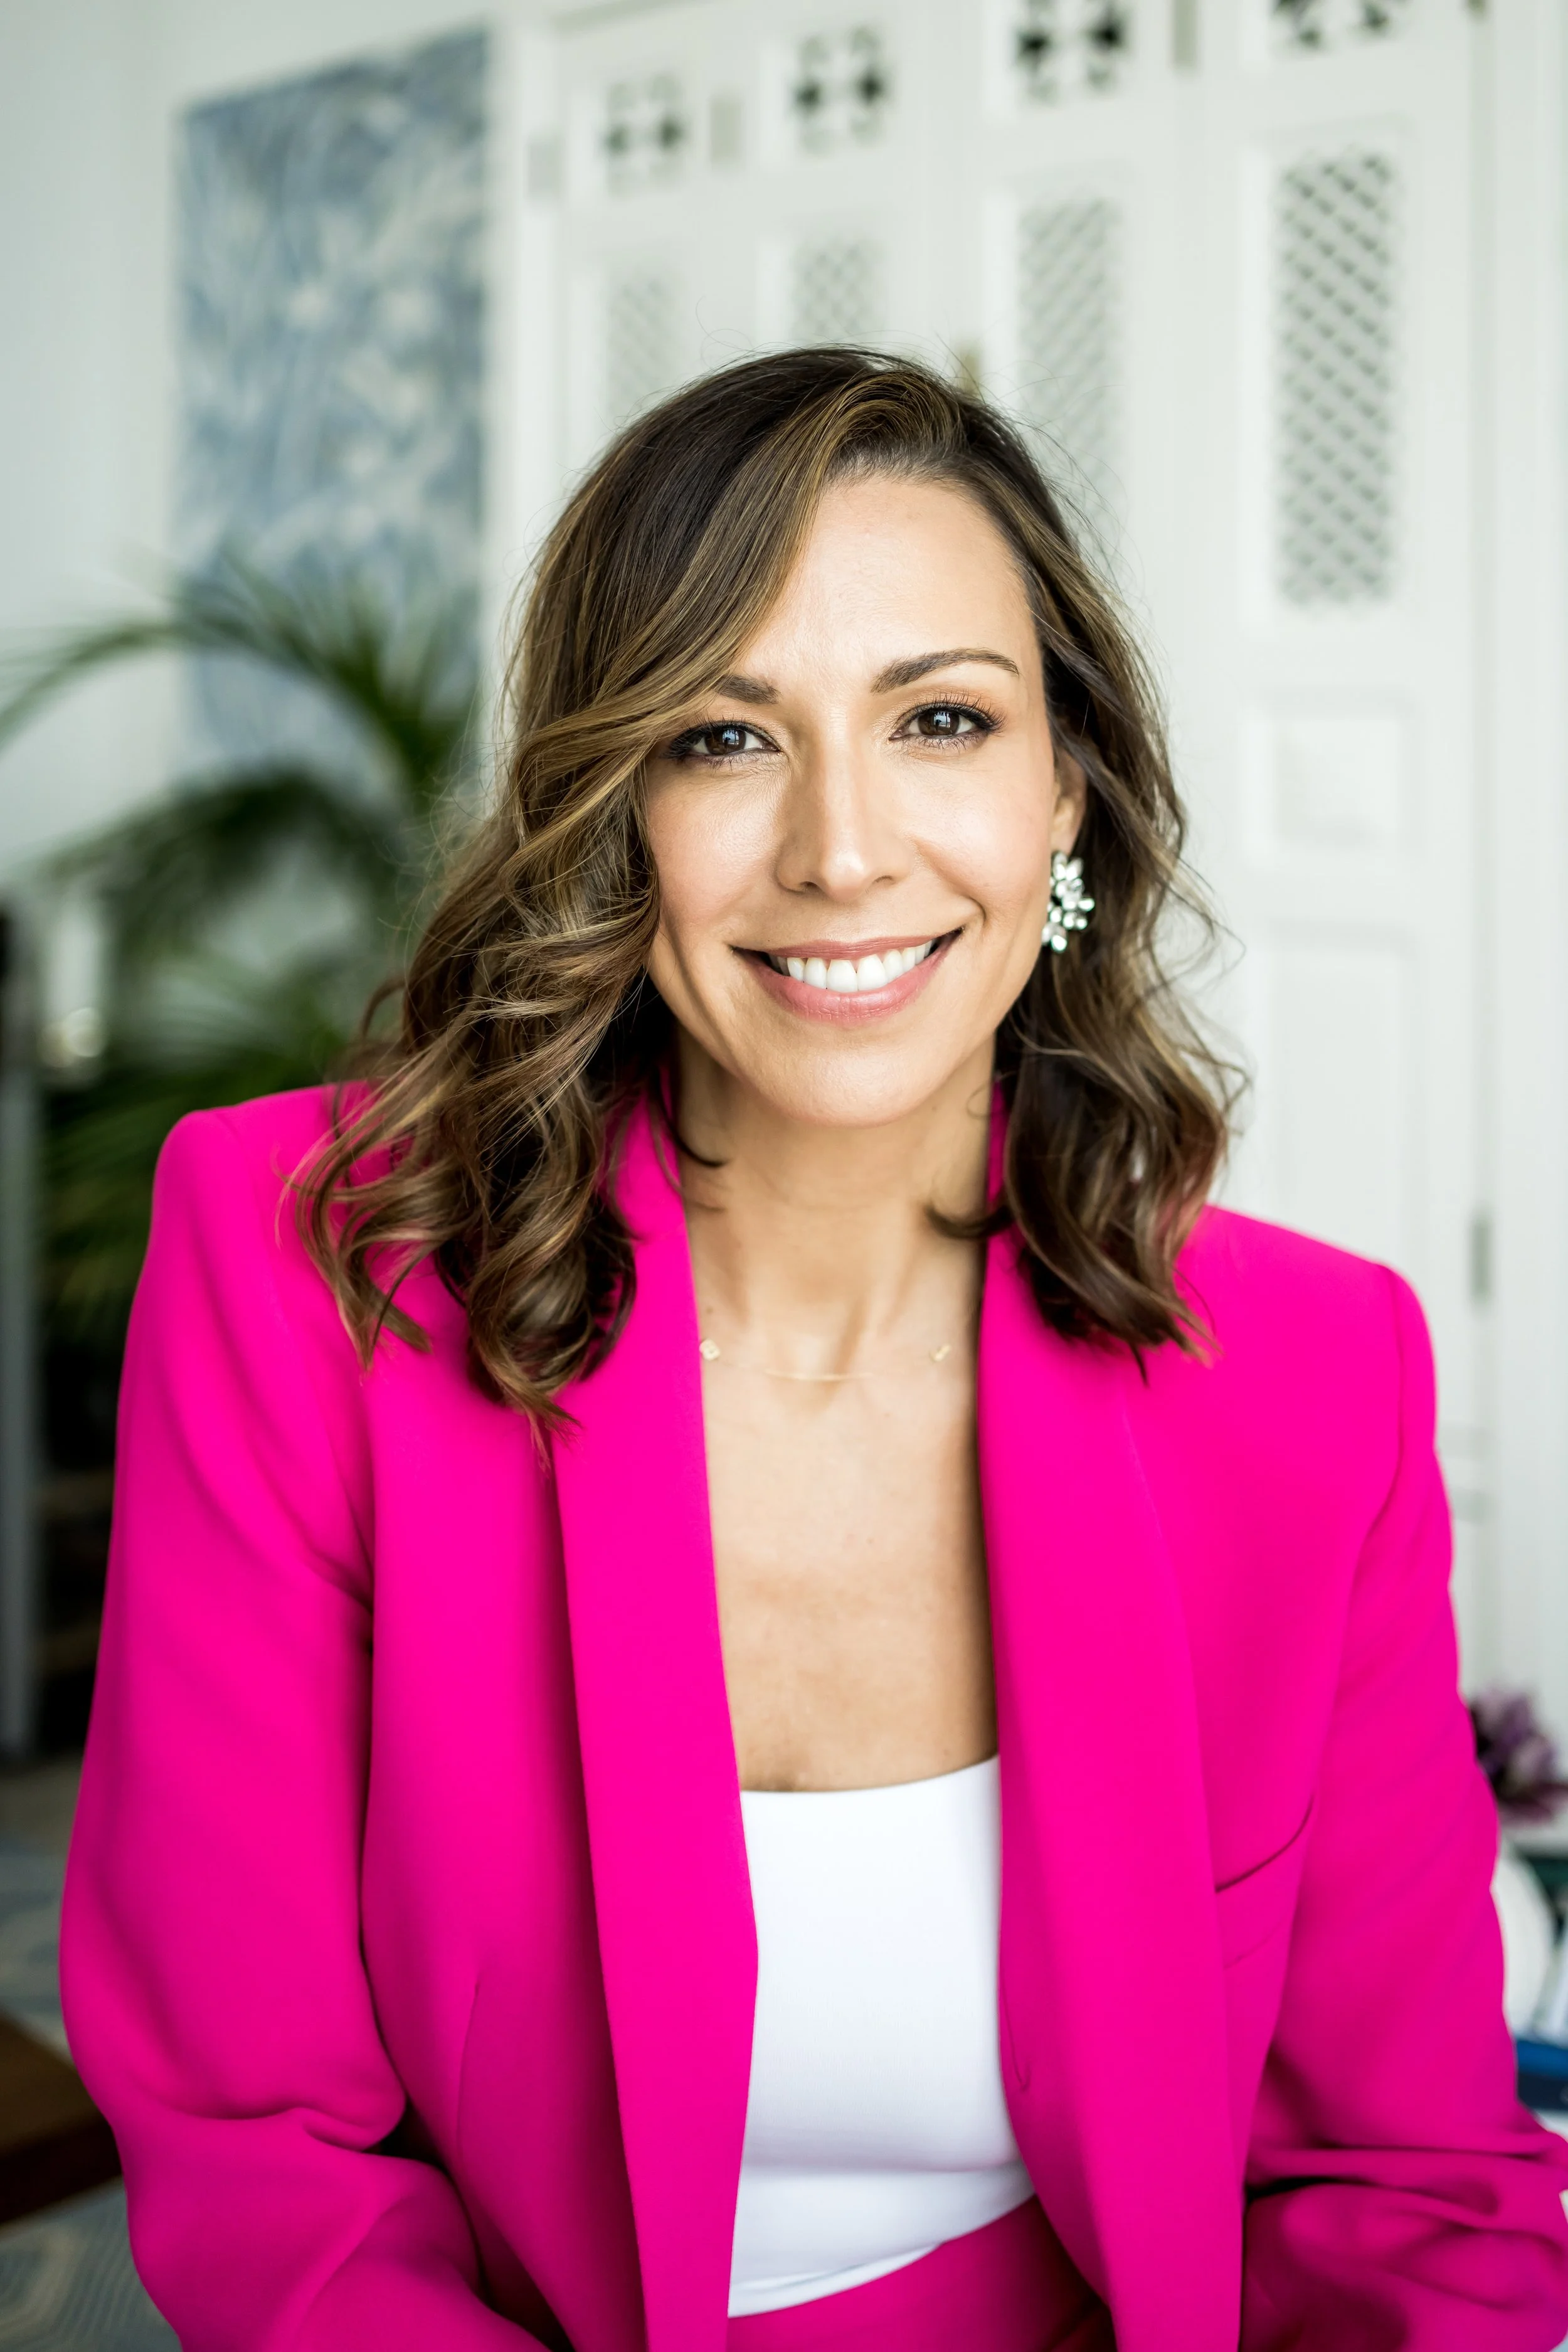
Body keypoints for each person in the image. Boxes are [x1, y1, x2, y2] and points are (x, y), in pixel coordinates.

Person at [62, 350, 1568, 2351]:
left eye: (940, 718)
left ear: (1066, 799)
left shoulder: (1309, 1375)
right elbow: (266, 2147)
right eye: (720, 736)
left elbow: (1402, 2192)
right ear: (614, 818)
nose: (840, 851)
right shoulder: (307, 1275)